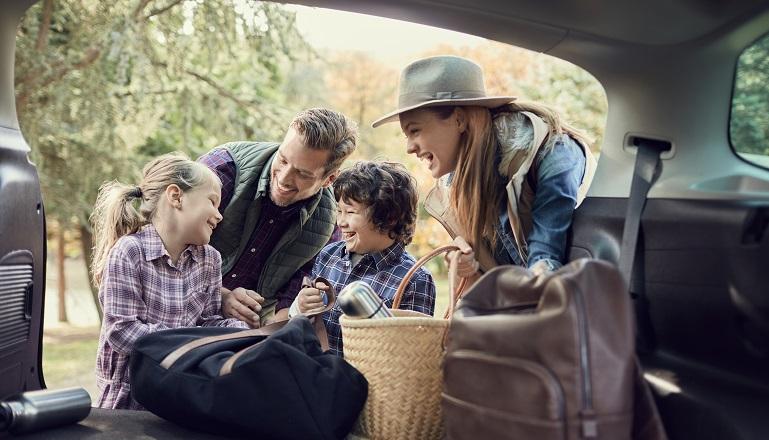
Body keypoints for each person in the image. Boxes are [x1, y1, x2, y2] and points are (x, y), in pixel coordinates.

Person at [372, 55, 596, 282]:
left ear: (459, 120)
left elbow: (545, 261)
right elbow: (497, 280)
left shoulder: (553, 154)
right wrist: (468, 268)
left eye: (415, 130)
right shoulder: (460, 186)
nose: (409, 148)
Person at [90, 152, 247, 410]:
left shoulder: (210, 260)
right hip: (130, 399)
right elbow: (121, 331)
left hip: (182, 393)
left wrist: (239, 332)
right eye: (212, 202)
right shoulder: (129, 252)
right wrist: (191, 342)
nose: (219, 216)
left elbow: (208, 322)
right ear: (176, 196)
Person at [198, 108, 358, 328]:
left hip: (247, 331)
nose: (284, 179)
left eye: (302, 174)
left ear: (329, 179)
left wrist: (267, 335)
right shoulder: (222, 169)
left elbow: (292, 305)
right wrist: (221, 295)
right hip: (175, 304)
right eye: (282, 160)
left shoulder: (328, 227)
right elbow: (165, 247)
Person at [287, 161, 436, 356]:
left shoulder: (415, 280)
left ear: (389, 217)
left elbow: (412, 356)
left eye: (350, 212)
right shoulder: (328, 256)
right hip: (315, 373)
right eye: (339, 211)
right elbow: (305, 327)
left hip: (368, 383)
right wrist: (300, 306)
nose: (340, 222)